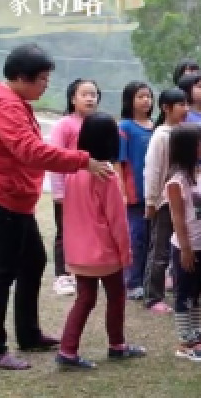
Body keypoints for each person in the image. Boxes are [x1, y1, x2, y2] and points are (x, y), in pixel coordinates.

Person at [0, 43, 113, 370]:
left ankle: (28, 333)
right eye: (42, 79)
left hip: (16, 200)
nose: (46, 85)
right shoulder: (5, 107)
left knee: (33, 261)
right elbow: (31, 151)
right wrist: (82, 160)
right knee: (1, 273)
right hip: (0, 198)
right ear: (22, 77)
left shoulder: (14, 101)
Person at [56, 112, 146, 370]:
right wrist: (126, 253)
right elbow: (117, 221)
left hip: (79, 251)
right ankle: (117, 345)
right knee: (116, 296)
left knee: (85, 299)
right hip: (104, 252)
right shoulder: (106, 174)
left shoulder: (74, 170)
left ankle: (67, 349)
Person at [165, 124, 201, 362]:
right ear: (188, 148)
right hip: (187, 248)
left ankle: (197, 335)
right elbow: (178, 218)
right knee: (184, 294)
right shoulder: (177, 182)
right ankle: (185, 342)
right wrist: (186, 249)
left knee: (197, 293)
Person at [49, 79, 102, 296]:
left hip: (93, 190)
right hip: (69, 190)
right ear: (73, 99)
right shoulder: (64, 125)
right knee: (65, 231)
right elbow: (54, 158)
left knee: (90, 229)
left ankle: (85, 271)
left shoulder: (98, 124)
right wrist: (59, 192)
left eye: (93, 95)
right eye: (84, 94)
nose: (90, 99)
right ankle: (62, 275)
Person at [142, 88, 189, 313]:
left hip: (183, 199)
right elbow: (153, 170)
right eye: (180, 104)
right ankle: (153, 296)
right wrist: (151, 201)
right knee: (159, 250)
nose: (185, 109)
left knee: (181, 246)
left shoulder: (183, 132)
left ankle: (182, 291)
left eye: (186, 104)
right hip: (164, 201)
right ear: (166, 108)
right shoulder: (161, 135)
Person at [118, 81, 155, 301]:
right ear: (130, 100)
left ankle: (147, 280)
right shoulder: (125, 127)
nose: (146, 100)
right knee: (136, 237)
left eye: (148, 96)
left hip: (154, 193)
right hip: (135, 194)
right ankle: (132, 282)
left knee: (152, 239)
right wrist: (122, 191)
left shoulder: (156, 126)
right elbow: (118, 162)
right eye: (140, 96)